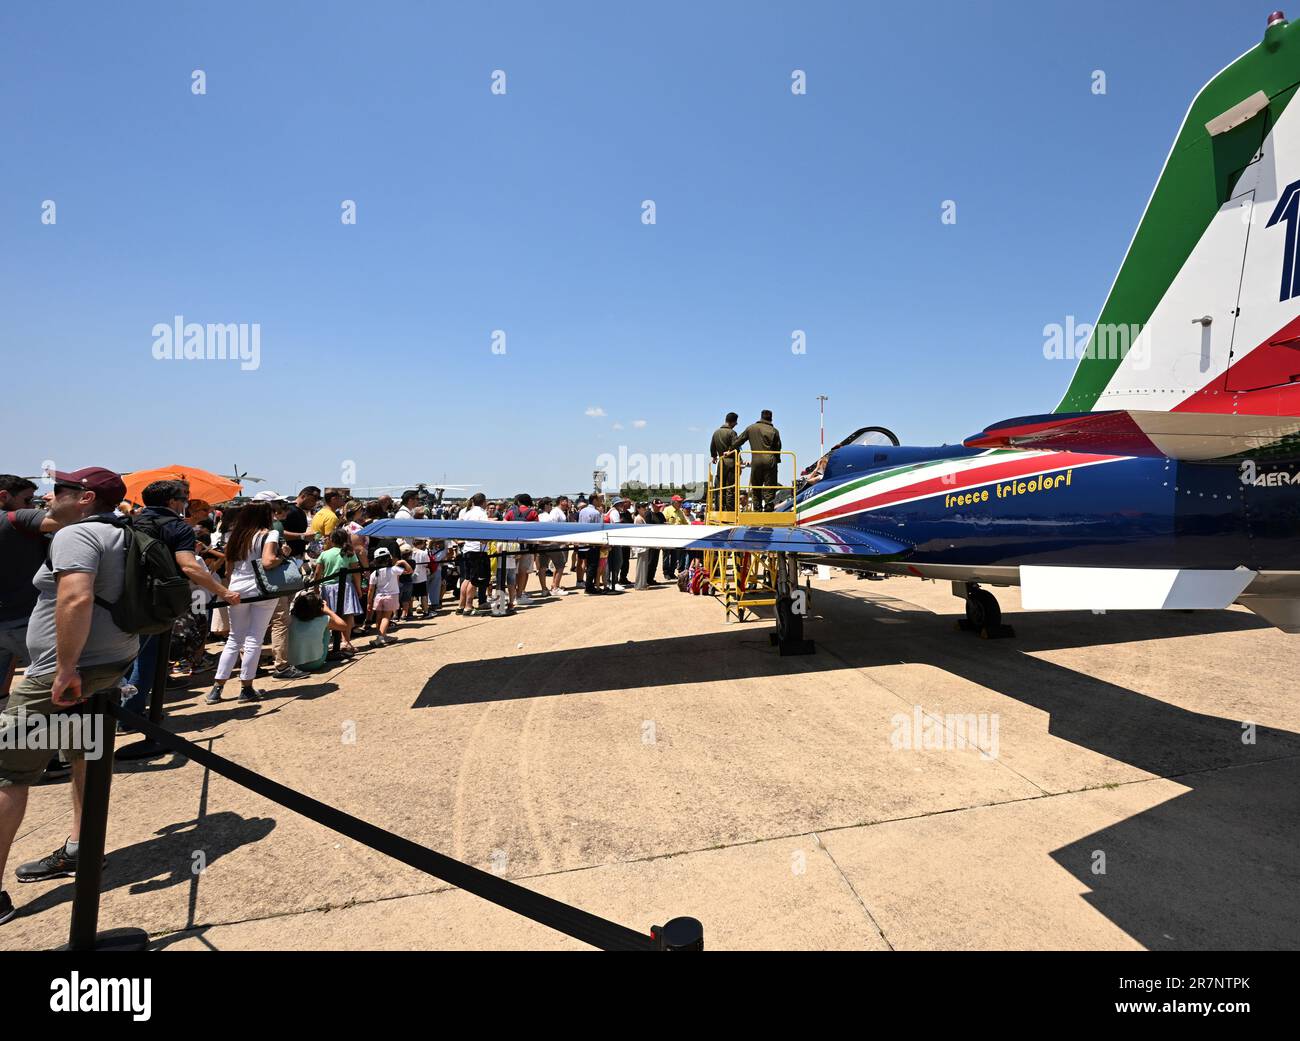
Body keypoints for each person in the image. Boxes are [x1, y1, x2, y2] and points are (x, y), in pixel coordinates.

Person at [0, 467, 138, 924]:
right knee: (84, 754)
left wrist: (62, 669)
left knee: (7, 773)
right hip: (108, 665)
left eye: (60, 489)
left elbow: (75, 598)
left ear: (84, 499)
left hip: (66, 675)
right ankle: (83, 847)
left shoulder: (76, 536)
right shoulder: (123, 532)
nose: (49, 494)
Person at [121, 480, 243, 724]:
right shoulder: (178, 528)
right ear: (172, 502)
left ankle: (117, 707)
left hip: (123, 595)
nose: (186, 503)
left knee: (125, 656)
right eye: (184, 498)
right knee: (148, 659)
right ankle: (130, 714)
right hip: (156, 600)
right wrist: (223, 591)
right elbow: (188, 565)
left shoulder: (130, 522)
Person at [204, 502, 281, 705]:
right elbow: (267, 561)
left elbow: (229, 570)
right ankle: (246, 688)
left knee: (234, 638)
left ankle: (217, 688)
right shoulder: (269, 534)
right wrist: (283, 558)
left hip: (236, 587)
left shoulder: (236, 535)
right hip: (261, 589)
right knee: (254, 638)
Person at [0, 476, 60, 700]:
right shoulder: (15, 518)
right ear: (4, 497)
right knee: (56, 680)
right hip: (23, 618)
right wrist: (60, 502)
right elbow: (65, 519)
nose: (31, 505)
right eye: (27, 500)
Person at [317, 530, 362, 655]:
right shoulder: (349, 553)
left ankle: (335, 642)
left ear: (331, 540)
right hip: (345, 586)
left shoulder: (324, 554)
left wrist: (316, 588)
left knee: (331, 614)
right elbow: (356, 573)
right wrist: (358, 588)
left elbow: (318, 573)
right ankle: (345, 641)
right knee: (347, 615)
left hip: (327, 588)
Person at [285, 593, 351, 671]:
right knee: (325, 628)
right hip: (315, 663)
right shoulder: (324, 619)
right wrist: (328, 611)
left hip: (293, 663)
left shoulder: (291, 619)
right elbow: (344, 626)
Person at [734, 409, 783, 511]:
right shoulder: (774, 431)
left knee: (756, 486)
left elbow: (739, 441)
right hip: (770, 461)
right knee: (770, 486)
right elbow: (778, 447)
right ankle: (769, 508)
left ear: (761, 417)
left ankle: (757, 509)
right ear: (771, 418)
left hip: (756, 461)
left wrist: (730, 449)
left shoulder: (751, 428)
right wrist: (777, 461)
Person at [367, 548, 411, 647]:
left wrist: (369, 602)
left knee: (379, 618)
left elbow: (371, 589)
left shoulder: (374, 573)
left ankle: (381, 635)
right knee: (386, 617)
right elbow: (409, 571)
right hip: (391, 596)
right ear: (389, 558)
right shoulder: (394, 569)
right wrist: (403, 561)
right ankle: (381, 638)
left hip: (378, 597)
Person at [457, 492, 490, 615]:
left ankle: (461, 605)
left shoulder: (468, 513)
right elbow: (485, 530)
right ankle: (468, 607)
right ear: (483, 501)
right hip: (477, 550)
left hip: (467, 548)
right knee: (474, 580)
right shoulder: (481, 513)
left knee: (467, 578)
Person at [710, 412, 740, 512]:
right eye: (736, 422)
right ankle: (731, 511)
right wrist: (740, 461)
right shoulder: (732, 433)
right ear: (733, 422)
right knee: (730, 488)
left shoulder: (716, 432)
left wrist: (714, 457)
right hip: (731, 462)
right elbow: (736, 447)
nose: (736, 424)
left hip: (721, 462)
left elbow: (712, 447)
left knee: (719, 487)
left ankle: (719, 509)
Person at [578, 494, 605, 595]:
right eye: (599, 500)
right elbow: (599, 528)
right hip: (592, 543)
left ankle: (588, 585)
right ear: (594, 500)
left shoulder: (582, 511)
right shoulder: (595, 512)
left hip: (583, 542)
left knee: (586, 565)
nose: (600, 502)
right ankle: (589, 587)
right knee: (592, 566)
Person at [662, 494, 690, 579]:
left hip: (677, 538)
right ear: (674, 502)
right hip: (667, 537)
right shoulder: (667, 510)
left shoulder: (680, 512)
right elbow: (663, 522)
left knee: (675, 556)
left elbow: (685, 523)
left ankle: (671, 572)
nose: (680, 503)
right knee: (666, 556)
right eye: (679, 502)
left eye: (681, 502)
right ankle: (666, 572)